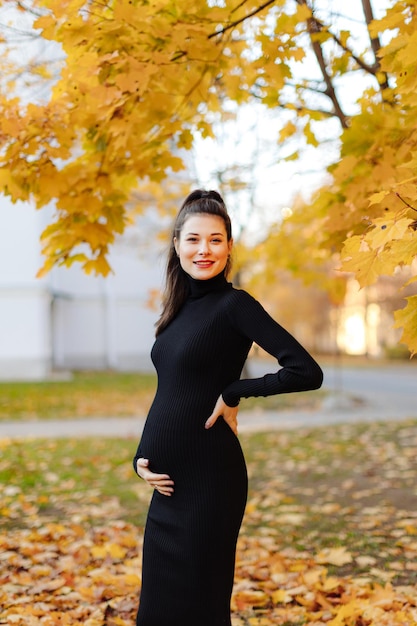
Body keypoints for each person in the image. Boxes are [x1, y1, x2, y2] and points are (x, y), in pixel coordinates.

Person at [133, 189, 323, 626]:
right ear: (177, 244)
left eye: (216, 240)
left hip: (210, 483)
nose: (204, 250)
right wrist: (140, 459)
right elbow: (171, 393)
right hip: (168, 491)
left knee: (199, 605)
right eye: (194, 239)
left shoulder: (235, 305)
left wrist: (235, 390)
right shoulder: (176, 313)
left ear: (229, 247)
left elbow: (305, 371)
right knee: (158, 609)